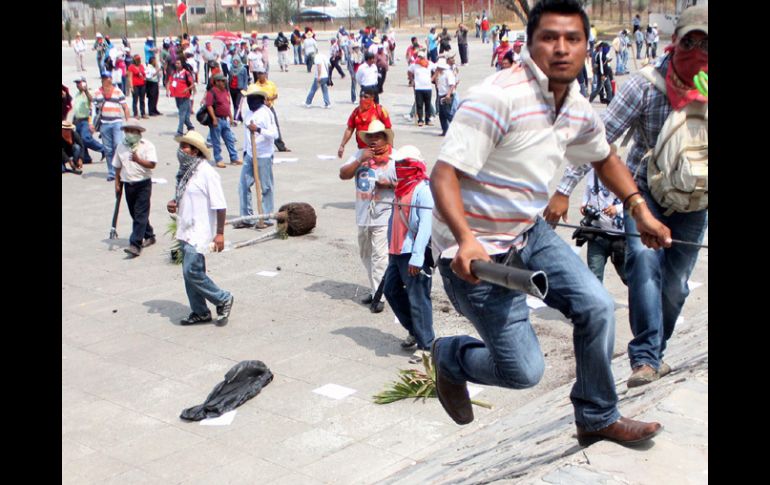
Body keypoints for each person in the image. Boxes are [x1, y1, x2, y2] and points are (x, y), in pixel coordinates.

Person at [429, 0, 669, 446]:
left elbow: (603, 157)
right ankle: (451, 355)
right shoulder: (497, 98)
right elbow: (443, 174)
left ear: (586, 46)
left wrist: (640, 209)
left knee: (597, 307)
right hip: (478, 258)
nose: (561, 49)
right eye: (549, 38)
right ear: (529, 44)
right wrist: (465, 239)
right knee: (523, 373)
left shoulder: (575, 106)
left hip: (528, 233)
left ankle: (597, 416)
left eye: (572, 39)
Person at [544, 4, 708, 389]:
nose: (697, 51)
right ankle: (645, 358)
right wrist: (564, 190)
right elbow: (598, 141)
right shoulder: (645, 85)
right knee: (643, 266)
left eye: (707, 43)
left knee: (675, 285)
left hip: (696, 200)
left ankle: (657, 349)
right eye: (690, 42)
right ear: (674, 43)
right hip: (645, 192)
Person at [167, 131, 234, 326]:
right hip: (185, 230)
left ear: (195, 151)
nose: (181, 151)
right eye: (181, 147)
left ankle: (222, 298)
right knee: (189, 275)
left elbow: (220, 205)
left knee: (192, 272)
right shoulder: (186, 173)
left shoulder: (207, 173)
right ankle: (200, 311)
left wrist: (220, 233)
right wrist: (174, 203)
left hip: (200, 232)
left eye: (185, 147)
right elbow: (184, 198)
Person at [383, 145, 435, 362]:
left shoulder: (423, 190)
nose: (398, 167)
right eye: (397, 164)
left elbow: (425, 225)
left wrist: (417, 256)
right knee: (391, 291)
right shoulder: (401, 188)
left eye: (403, 163)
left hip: (413, 253)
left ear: (412, 166)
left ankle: (427, 345)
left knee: (418, 298)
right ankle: (415, 330)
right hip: (397, 252)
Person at [338, 120, 397, 313]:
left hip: (384, 215)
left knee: (381, 257)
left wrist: (387, 184)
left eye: (377, 137)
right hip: (363, 216)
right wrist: (359, 160)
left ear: (385, 138)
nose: (373, 141)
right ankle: (375, 290)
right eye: (370, 137)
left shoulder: (395, 158)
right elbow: (343, 175)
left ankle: (381, 296)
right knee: (366, 255)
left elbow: (407, 183)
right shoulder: (359, 155)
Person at [572, 168, 627, 284]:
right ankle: (596, 301)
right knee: (594, 276)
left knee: (627, 275)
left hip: (619, 237)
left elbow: (634, 200)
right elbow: (588, 190)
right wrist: (584, 203)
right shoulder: (593, 172)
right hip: (597, 233)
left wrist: (617, 209)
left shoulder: (624, 173)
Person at [235, 84, 279, 229]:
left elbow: (274, 134)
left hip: (264, 155)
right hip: (250, 154)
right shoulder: (248, 113)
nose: (249, 101)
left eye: (252, 98)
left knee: (265, 187)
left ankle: (265, 217)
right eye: (248, 98)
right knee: (243, 185)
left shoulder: (266, 113)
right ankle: (247, 217)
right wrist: (246, 151)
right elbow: (247, 135)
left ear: (259, 99)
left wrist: (259, 129)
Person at [113, 120, 157, 257]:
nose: (129, 134)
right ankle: (149, 234)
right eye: (127, 131)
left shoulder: (147, 146)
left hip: (143, 183)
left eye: (132, 131)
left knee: (140, 213)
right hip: (128, 183)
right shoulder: (121, 146)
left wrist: (139, 160)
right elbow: (117, 165)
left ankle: (135, 244)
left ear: (138, 132)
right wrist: (117, 182)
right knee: (135, 213)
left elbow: (152, 164)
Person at [93, 72, 130, 182]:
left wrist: (128, 122)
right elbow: (93, 109)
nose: (107, 79)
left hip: (117, 122)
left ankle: (121, 169)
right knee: (108, 149)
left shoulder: (118, 91)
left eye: (108, 77)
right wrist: (91, 123)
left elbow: (125, 107)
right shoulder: (97, 92)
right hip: (104, 123)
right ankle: (111, 172)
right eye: (105, 78)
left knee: (118, 145)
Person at [338, 87, 393, 158]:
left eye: (365, 97)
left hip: (377, 151)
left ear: (372, 97)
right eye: (361, 96)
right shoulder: (356, 112)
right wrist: (342, 145)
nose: (362, 99)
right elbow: (349, 129)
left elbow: (388, 130)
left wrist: (389, 148)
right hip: (362, 150)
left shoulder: (380, 110)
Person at [206, 73, 241, 168]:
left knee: (229, 139)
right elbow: (209, 106)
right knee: (216, 141)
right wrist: (213, 119)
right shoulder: (211, 92)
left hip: (225, 119)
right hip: (217, 119)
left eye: (224, 81)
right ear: (216, 82)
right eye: (221, 81)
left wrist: (231, 117)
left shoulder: (225, 91)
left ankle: (234, 157)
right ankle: (218, 159)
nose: (223, 83)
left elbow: (227, 105)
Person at [253, 68, 290, 152]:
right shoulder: (255, 86)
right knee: (259, 127)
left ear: (265, 74)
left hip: (270, 108)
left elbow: (276, 95)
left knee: (275, 126)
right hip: (260, 109)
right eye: (258, 74)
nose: (260, 75)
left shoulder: (271, 84)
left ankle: (281, 146)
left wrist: (270, 99)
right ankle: (257, 144)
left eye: (261, 74)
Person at [71, 76, 106, 163]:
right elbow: (76, 108)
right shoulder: (77, 94)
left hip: (86, 120)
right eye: (76, 83)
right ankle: (86, 157)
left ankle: (103, 149)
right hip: (77, 120)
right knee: (79, 140)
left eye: (79, 83)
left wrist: (85, 90)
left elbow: (91, 100)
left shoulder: (88, 92)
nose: (77, 85)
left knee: (86, 138)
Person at [168, 59, 196, 137]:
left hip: (185, 96)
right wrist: (168, 90)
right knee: (184, 115)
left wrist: (187, 89)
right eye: (176, 63)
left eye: (178, 63)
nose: (177, 64)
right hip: (177, 95)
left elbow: (192, 84)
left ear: (182, 64)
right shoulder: (174, 73)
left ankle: (180, 131)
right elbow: (170, 81)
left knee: (182, 114)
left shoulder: (186, 73)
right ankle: (190, 127)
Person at [408, 51, 435, 127]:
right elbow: (409, 71)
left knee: (428, 104)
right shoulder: (414, 65)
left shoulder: (429, 64)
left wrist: (433, 78)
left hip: (428, 87)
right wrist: (412, 80)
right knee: (419, 104)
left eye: (422, 57)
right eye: (419, 57)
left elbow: (437, 69)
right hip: (418, 88)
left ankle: (427, 119)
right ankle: (420, 120)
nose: (420, 59)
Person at [434, 58, 456, 136]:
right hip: (441, 95)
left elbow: (452, 85)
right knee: (442, 115)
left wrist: (448, 94)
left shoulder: (448, 73)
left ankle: (456, 127)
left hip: (447, 95)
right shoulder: (440, 73)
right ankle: (445, 130)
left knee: (447, 113)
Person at [127, 54, 148, 119]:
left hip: (142, 84)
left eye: (139, 59)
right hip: (135, 85)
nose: (139, 60)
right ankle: (135, 113)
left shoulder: (141, 66)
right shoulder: (131, 67)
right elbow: (130, 77)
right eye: (137, 59)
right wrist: (131, 87)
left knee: (142, 99)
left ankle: (143, 113)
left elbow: (144, 74)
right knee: (135, 100)